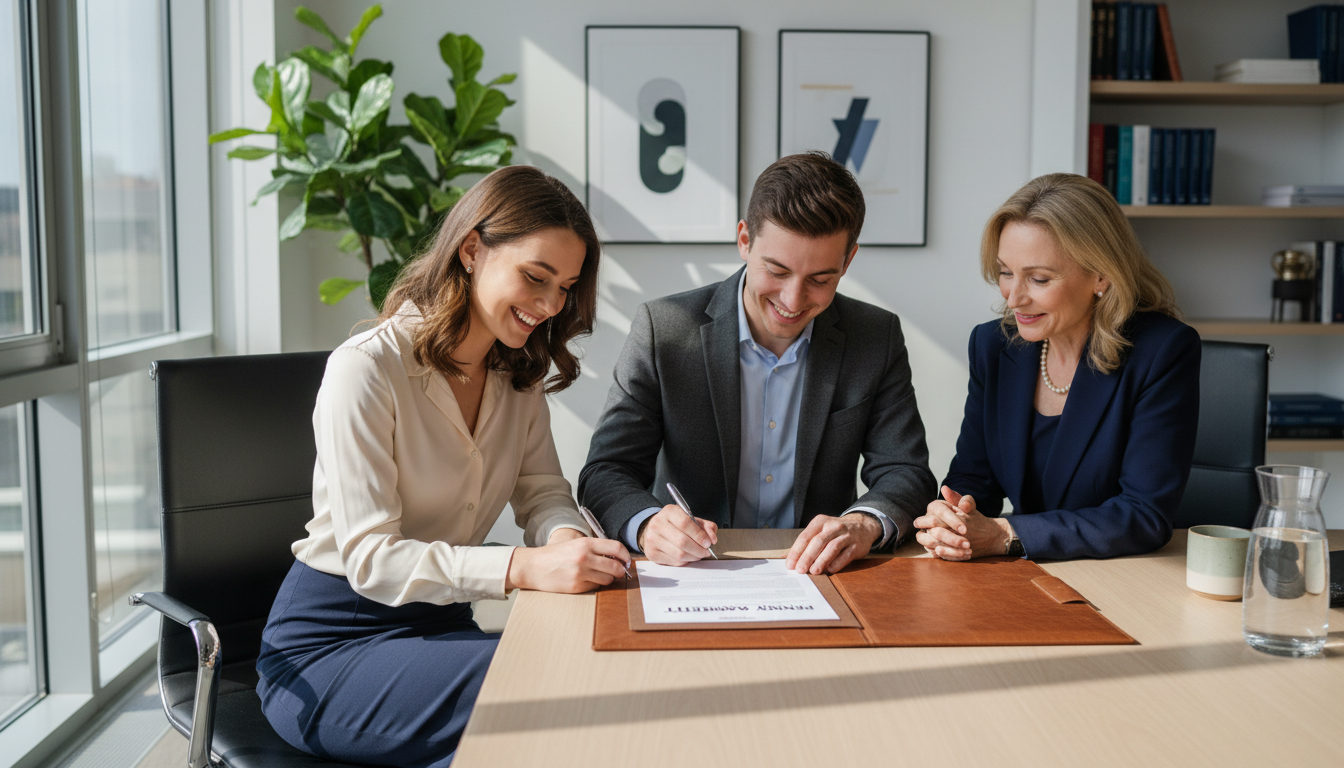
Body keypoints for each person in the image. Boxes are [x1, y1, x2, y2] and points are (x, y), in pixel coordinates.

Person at [255, 166, 630, 768]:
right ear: (472, 248)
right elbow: (373, 559)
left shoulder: (516, 374)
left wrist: (565, 540)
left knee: (565, 688)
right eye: (535, 277)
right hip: (332, 646)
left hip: (440, 630)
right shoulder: (367, 370)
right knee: (549, 691)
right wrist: (524, 565)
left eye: (564, 287)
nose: (549, 305)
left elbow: (540, 492)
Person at [580, 152, 936, 575]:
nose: (793, 300)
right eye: (777, 270)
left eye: (820, 279)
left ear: (849, 259)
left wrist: (862, 523)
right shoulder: (665, 329)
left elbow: (906, 472)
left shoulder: (874, 337)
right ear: (745, 240)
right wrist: (647, 525)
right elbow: (606, 471)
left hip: (819, 574)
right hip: (694, 572)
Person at [916, 172, 1200, 562]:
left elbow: (1143, 515)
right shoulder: (993, 345)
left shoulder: (1162, 350)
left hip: (1124, 577)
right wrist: (954, 515)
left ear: (1101, 275)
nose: (1014, 298)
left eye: (1039, 278)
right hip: (1024, 579)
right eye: (1005, 272)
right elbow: (973, 477)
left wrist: (1006, 533)